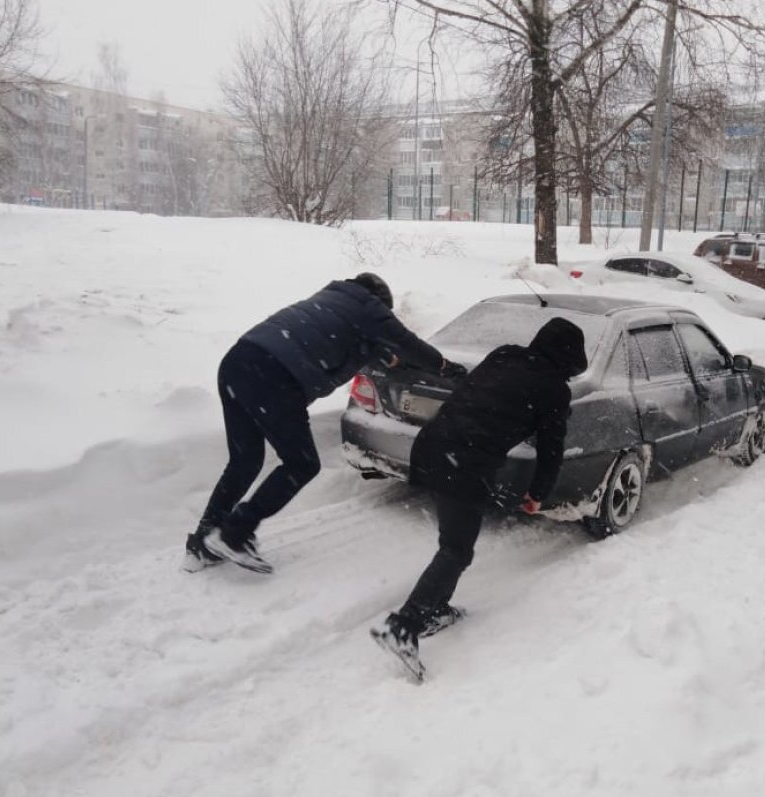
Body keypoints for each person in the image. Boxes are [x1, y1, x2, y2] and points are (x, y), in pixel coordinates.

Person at [186, 272, 465, 574]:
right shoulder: (367, 307)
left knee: (244, 460)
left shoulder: (332, 303)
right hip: (275, 376)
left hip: (238, 362)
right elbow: (407, 343)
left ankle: (204, 541)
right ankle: (235, 533)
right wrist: (446, 368)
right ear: (380, 301)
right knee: (302, 464)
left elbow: (383, 353)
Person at [371, 317, 588, 675]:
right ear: (570, 356)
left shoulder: (505, 354)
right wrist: (537, 494)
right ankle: (403, 626)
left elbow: (480, 394)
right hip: (466, 461)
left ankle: (436, 609)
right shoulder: (554, 389)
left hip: (432, 445)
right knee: (456, 550)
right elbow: (551, 451)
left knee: (454, 543)